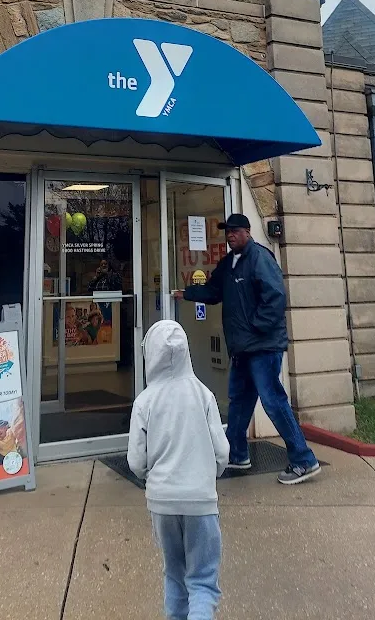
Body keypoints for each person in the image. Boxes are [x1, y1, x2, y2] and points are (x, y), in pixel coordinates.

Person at [179, 213, 321, 486]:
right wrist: (185, 293)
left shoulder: (259, 258)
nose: (230, 235)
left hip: (263, 346)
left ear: (247, 232)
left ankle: (304, 459)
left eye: (235, 231)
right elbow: (213, 291)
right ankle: (238, 454)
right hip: (243, 348)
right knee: (240, 402)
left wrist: (256, 327)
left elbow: (275, 297)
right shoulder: (230, 264)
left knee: (273, 400)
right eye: (227, 232)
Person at [128, 320, 229, 620]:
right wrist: (213, 473)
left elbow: (136, 461)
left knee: (174, 574)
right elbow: (222, 451)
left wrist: (149, 476)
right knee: (201, 581)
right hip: (200, 500)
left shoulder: (144, 401)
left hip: (162, 502)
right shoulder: (204, 394)